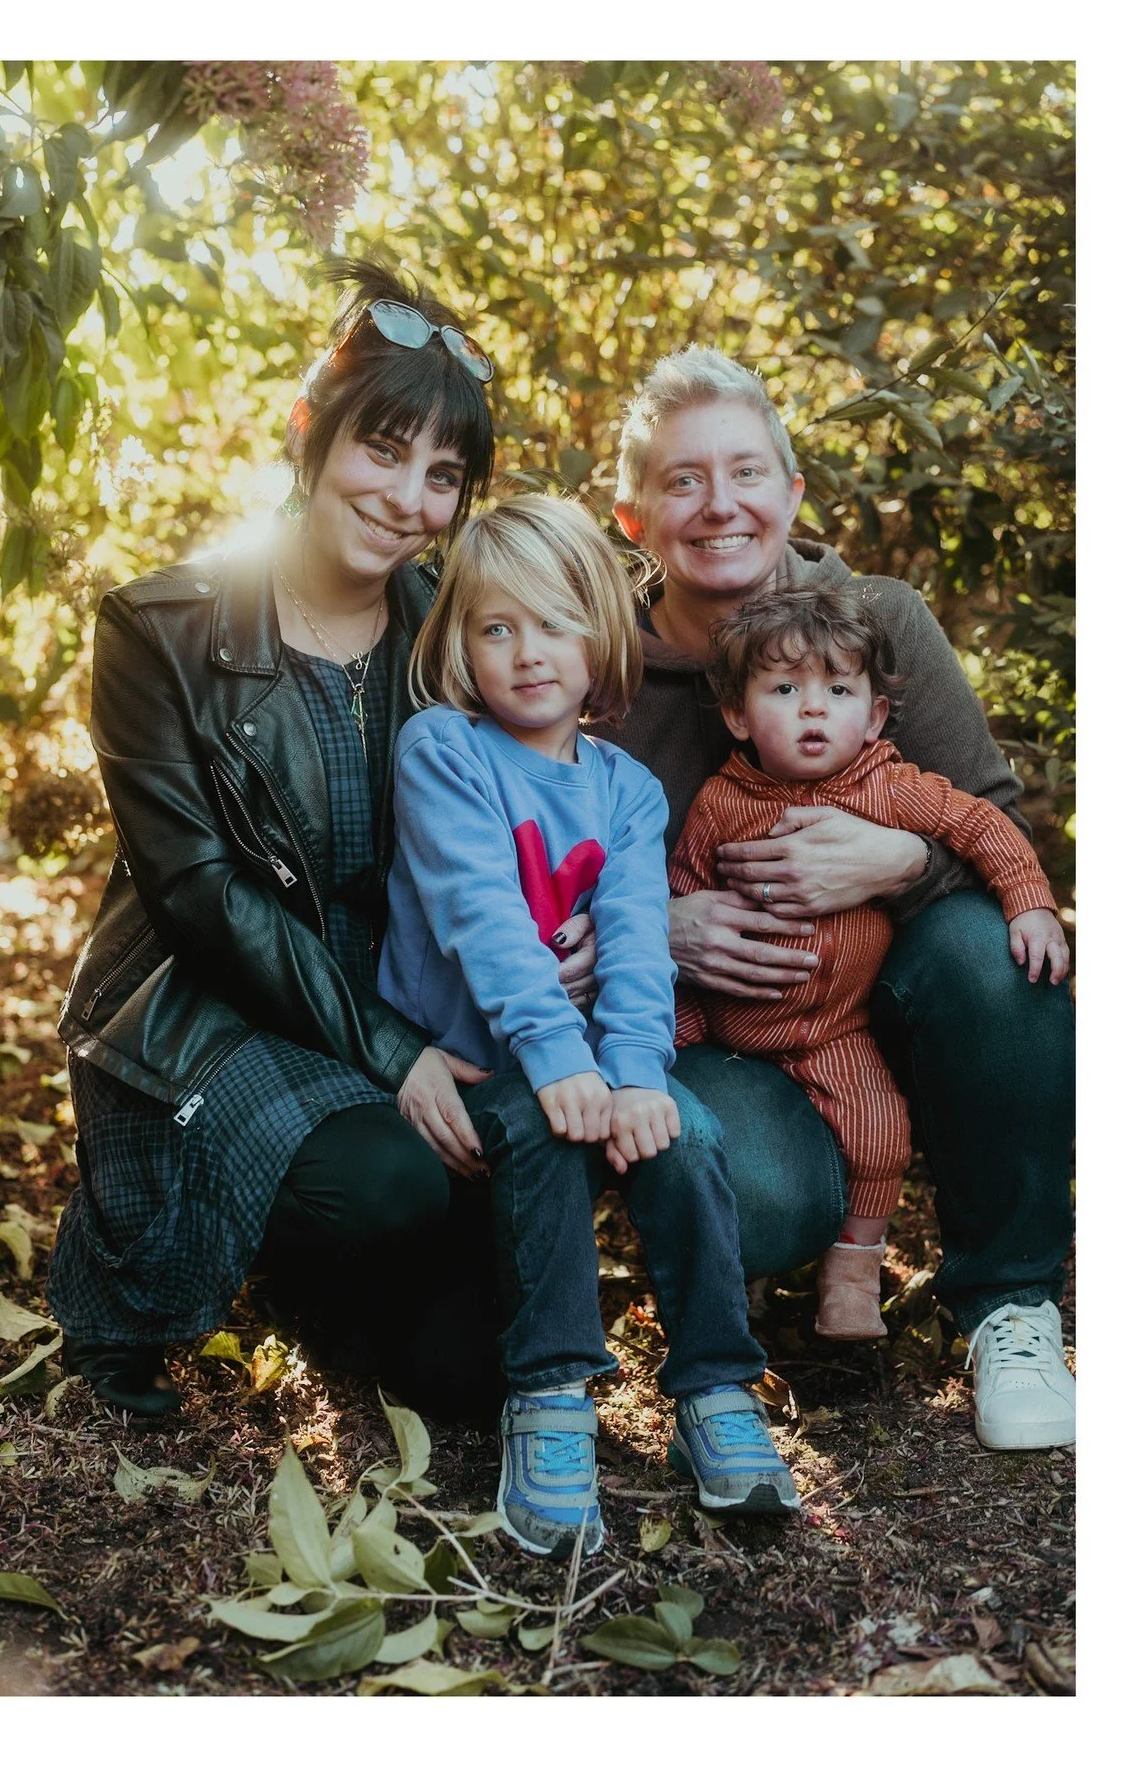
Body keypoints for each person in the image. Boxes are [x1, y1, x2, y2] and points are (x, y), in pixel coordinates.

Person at [49, 259, 542, 1418]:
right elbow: (201, 895)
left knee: (471, 1374)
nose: (406, 498)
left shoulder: (454, 636)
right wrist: (391, 1053)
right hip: (211, 1003)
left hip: (404, 992)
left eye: (442, 475)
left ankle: (326, 1286)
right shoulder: (159, 629)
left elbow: (530, 815)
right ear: (309, 429)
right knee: (390, 1183)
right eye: (383, 448)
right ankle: (234, 1246)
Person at [584, 346, 1075, 1451]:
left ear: (793, 494)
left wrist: (895, 862)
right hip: (728, 1031)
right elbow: (534, 869)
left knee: (999, 958)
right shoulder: (594, 670)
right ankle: (791, 1240)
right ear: (633, 518)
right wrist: (653, 927)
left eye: (749, 471)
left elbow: (991, 819)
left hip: (892, 994)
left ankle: (1010, 1305)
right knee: (754, 1193)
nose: (722, 505)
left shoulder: (881, 618)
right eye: (683, 480)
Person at [378, 494, 798, 1558]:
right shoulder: (444, 749)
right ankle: (553, 1391)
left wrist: (638, 1073)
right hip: (480, 1048)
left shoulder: (627, 787)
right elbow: (479, 913)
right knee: (546, 1135)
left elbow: (636, 941)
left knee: (686, 1138)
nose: (528, 654)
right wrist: (566, 1065)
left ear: (600, 635)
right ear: (462, 645)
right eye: (498, 628)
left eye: (557, 623)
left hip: (582, 1047)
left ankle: (715, 1385)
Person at [670, 586, 1069, 1408]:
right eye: (784, 692)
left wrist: (1029, 900)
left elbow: (983, 826)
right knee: (733, 1164)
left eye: (839, 693)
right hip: (732, 1030)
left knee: (881, 1128)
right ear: (739, 716)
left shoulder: (888, 786)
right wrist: (680, 1024)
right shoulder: (719, 804)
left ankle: (854, 1274)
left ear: (877, 715)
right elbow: (680, 896)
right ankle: (730, 1299)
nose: (813, 712)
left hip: (839, 1029)